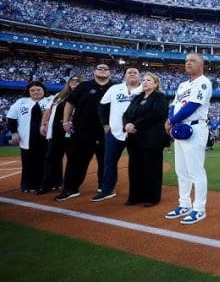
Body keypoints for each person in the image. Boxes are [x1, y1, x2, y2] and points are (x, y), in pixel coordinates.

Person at [164, 53, 212, 224]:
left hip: (195, 127)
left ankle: (199, 208)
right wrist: (171, 120)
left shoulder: (204, 82)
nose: (188, 63)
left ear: (202, 65)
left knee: (196, 171)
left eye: (193, 61)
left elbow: (192, 106)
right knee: (181, 170)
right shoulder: (183, 84)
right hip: (179, 128)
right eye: (187, 61)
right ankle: (185, 204)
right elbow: (173, 105)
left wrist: (171, 120)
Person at [56, 64, 115, 201]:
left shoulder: (115, 87)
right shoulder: (84, 86)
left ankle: (105, 188)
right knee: (76, 161)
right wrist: (65, 121)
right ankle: (70, 189)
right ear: (94, 71)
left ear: (110, 72)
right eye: (99, 68)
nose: (102, 70)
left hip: (106, 131)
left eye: (106, 68)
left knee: (106, 161)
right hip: (83, 131)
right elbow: (70, 103)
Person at [92, 67, 141, 201]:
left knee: (137, 164)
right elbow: (102, 106)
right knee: (109, 162)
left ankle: (138, 193)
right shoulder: (114, 88)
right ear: (124, 75)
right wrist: (105, 123)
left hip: (136, 132)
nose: (131, 73)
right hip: (114, 131)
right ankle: (107, 190)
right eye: (129, 72)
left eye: (135, 72)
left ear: (139, 76)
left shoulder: (145, 88)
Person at [123, 72, 169, 207]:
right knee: (135, 168)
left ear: (155, 83)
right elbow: (126, 113)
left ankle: (152, 197)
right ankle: (135, 196)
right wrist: (127, 124)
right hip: (135, 138)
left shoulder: (160, 97)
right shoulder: (138, 97)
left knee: (152, 168)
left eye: (148, 80)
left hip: (152, 138)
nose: (145, 82)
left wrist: (135, 125)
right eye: (143, 80)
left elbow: (156, 114)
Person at [37, 75, 82, 195]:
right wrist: (42, 125)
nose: (74, 82)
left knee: (73, 160)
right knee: (51, 158)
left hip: (73, 132)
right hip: (56, 131)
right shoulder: (58, 95)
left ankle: (69, 186)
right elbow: (48, 110)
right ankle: (47, 184)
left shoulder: (84, 95)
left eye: (77, 80)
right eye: (72, 80)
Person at [7, 81, 52, 192]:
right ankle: (28, 185)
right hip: (26, 137)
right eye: (32, 90)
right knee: (28, 163)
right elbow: (11, 118)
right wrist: (14, 133)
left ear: (43, 90)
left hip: (46, 138)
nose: (36, 92)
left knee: (46, 162)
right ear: (28, 92)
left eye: (38, 89)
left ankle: (46, 185)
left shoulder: (50, 100)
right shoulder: (21, 102)